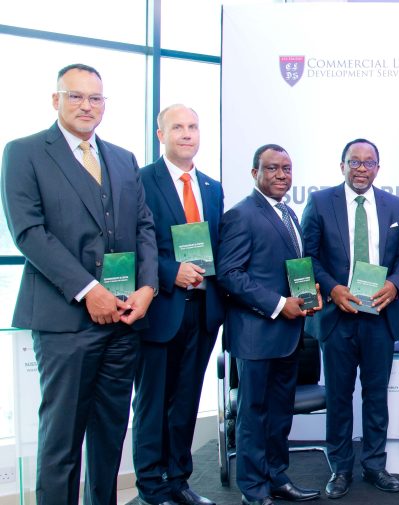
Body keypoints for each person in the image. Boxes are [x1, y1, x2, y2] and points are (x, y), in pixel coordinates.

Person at [1, 63, 158, 505]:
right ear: (56, 100)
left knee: (109, 439)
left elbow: (144, 228)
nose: (86, 106)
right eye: (76, 96)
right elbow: (29, 232)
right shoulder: (25, 152)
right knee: (62, 442)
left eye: (95, 98)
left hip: (125, 320)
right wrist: (90, 291)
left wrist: (147, 288)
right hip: (65, 322)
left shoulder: (123, 159)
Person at [300, 138, 399, 497]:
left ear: (378, 168)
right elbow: (308, 257)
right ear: (342, 165)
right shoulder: (319, 203)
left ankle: (375, 466)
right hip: (337, 316)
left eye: (369, 163)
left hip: (379, 315)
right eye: (355, 162)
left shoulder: (395, 206)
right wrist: (333, 289)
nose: (362, 168)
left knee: (377, 396)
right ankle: (341, 469)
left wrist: (394, 286)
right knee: (339, 396)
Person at [218, 144, 323, 505]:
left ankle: (277, 477)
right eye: (273, 169)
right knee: (253, 415)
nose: (282, 176)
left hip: (288, 336)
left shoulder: (289, 214)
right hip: (256, 336)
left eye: (287, 169)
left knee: (279, 415)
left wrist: (311, 293)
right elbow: (230, 275)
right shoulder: (241, 215)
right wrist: (280, 304)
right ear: (255, 174)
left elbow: (290, 270)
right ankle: (253, 488)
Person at [133, 104, 224, 505]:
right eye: (177, 127)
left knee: (186, 401)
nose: (187, 134)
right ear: (161, 134)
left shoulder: (211, 188)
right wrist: (170, 271)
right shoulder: (140, 181)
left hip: (202, 311)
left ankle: (179, 480)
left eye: (192, 127)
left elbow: (219, 248)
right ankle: (151, 486)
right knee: (154, 403)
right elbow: (131, 243)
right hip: (160, 308)